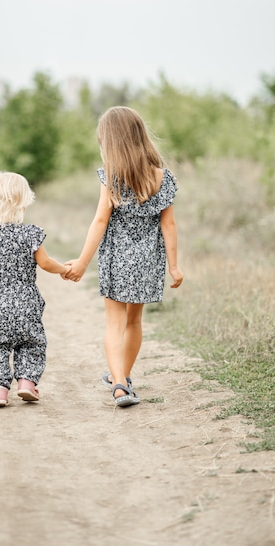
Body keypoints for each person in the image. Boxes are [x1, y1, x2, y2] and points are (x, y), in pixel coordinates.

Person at [65, 106, 184, 407]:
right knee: (134, 322)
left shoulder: (111, 178)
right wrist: (174, 266)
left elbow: (100, 222)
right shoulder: (163, 178)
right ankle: (125, 377)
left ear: (111, 142)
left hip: (116, 259)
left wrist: (81, 262)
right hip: (148, 262)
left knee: (114, 323)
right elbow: (168, 224)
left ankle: (119, 384)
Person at [0, 171, 69, 408]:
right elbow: (45, 263)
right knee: (31, 342)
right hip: (26, 301)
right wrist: (64, 269)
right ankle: (26, 383)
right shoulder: (30, 234)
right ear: (25, 201)